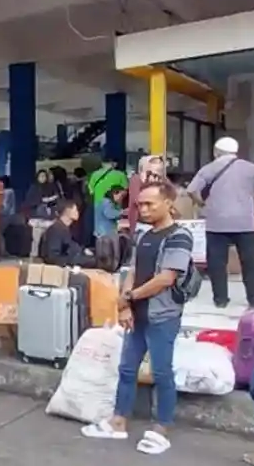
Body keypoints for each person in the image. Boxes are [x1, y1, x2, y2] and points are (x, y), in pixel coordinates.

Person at [81, 180, 193, 455]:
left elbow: (166, 278)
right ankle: (118, 421)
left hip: (162, 316)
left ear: (168, 203)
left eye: (149, 204)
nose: (142, 209)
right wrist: (125, 305)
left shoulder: (180, 236)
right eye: (139, 204)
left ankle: (161, 428)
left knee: (162, 372)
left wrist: (129, 298)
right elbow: (132, 270)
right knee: (127, 369)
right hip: (137, 314)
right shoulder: (143, 234)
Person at [186, 137, 254, 309]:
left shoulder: (208, 168)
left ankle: (220, 299)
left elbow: (191, 190)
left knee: (217, 262)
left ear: (216, 151)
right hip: (245, 222)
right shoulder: (252, 169)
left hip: (216, 223)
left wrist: (202, 203)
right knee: (250, 262)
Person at [41, 200, 95, 268]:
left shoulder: (64, 229)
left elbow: (71, 246)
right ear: (68, 211)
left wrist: (83, 251)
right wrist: (73, 260)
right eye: (75, 210)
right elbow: (52, 256)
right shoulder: (56, 229)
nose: (77, 212)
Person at [128, 155, 167, 233]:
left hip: (158, 222)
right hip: (140, 222)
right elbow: (136, 199)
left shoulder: (162, 179)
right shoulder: (136, 179)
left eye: (159, 164)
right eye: (154, 163)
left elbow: (171, 194)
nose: (158, 167)